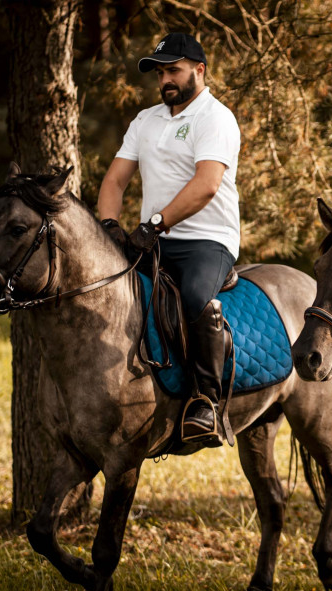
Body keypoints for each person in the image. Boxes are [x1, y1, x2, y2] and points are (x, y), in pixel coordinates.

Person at [97, 32, 242, 445]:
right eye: (160, 73)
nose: (166, 80)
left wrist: (154, 224)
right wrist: (109, 226)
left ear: (199, 70)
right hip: (152, 240)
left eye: (173, 70)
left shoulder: (216, 117)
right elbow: (115, 179)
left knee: (196, 296)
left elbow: (207, 185)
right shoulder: (146, 120)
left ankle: (207, 402)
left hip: (207, 240)